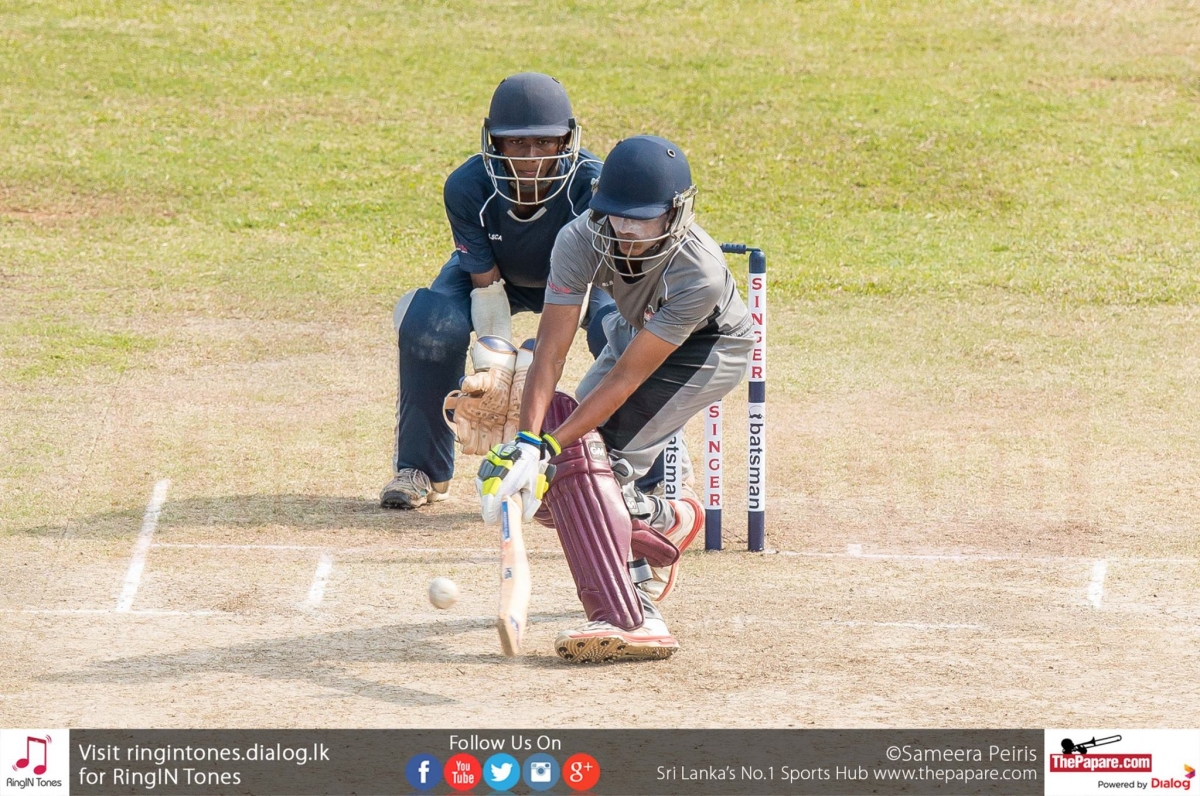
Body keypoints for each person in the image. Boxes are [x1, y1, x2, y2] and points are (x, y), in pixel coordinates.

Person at [477, 135, 755, 662]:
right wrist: (527, 443)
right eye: (615, 214)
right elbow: (550, 352)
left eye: (640, 218)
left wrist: (552, 447)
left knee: (599, 461)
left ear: (676, 212)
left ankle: (636, 612)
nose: (624, 229)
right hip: (638, 331)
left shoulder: (698, 271)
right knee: (562, 481)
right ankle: (665, 520)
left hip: (708, 348)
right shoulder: (579, 237)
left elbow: (626, 380)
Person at [381, 72, 613, 509]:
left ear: (566, 139)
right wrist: (499, 372)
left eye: (544, 142)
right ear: (495, 141)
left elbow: (579, 287)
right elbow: (485, 285)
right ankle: (420, 469)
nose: (531, 157)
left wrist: (534, 372)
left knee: (619, 330)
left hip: (578, 281)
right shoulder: (467, 186)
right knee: (429, 326)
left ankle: (635, 472)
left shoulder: (594, 186)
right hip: (496, 275)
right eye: (516, 142)